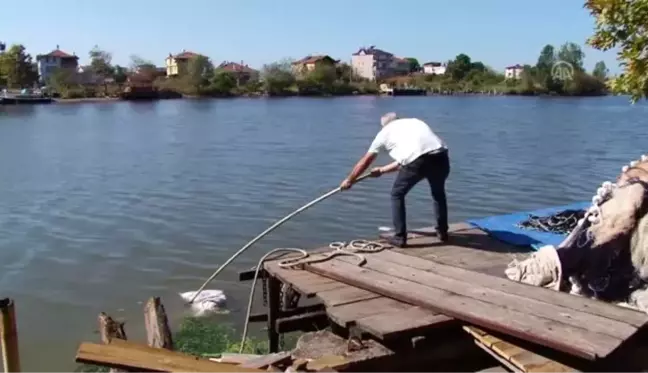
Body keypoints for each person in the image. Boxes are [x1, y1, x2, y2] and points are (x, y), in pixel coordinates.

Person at [340, 112, 450, 247]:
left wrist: (350, 180)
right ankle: (443, 232)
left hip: (418, 160)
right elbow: (409, 159)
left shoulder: (383, 133)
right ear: (397, 119)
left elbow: (366, 161)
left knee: (397, 194)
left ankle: (400, 237)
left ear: (383, 126)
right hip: (441, 156)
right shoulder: (414, 122)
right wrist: (382, 170)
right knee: (438, 194)